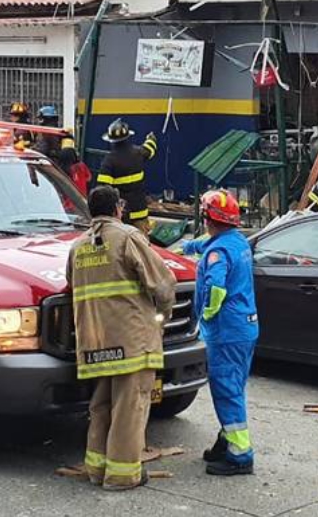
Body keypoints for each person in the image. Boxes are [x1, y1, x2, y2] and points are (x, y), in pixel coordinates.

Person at [66, 185, 176, 491]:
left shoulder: (78, 247)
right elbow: (163, 284)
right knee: (131, 406)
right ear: (118, 209)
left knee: (101, 405)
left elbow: (71, 286)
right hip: (132, 341)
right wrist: (163, 317)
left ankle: (96, 469)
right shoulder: (127, 238)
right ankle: (122, 475)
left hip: (94, 343)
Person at [182, 190, 258, 477]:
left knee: (226, 390)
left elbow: (215, 288)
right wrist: (189, 247)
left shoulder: (218, 253)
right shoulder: (236, 242)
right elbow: (212, 244)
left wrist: (205, 316)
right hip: (245, 328)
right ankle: (227, 439)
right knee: (234, 386)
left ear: (206, 217)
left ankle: (240, 456)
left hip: (226, 330)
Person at [96, 118, 158, 235]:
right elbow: (149, 150)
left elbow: (103, 189)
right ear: (127, 137)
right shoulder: (138, 153)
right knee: (141, 247)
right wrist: (151, 139)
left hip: (121, 216)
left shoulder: (109, 161)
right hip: (140, 213)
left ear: (111, 141)